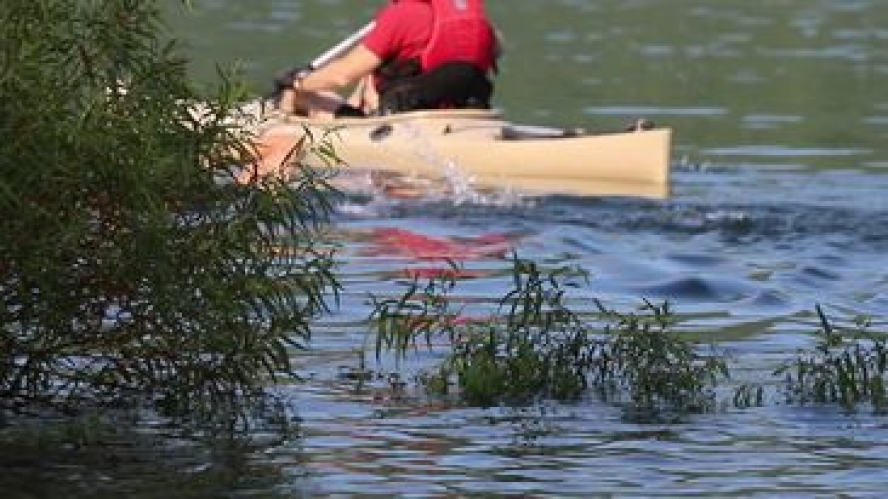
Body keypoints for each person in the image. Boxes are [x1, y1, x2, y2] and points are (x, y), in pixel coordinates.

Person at [275, 0, 500, 119]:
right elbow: (495, 51)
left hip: (400, 121)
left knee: (297, 95)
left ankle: (283, 121)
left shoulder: (402, 14)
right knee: (371, 75)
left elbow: (341, 76)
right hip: (467, 116)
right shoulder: (477, 19)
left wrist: (297, 82)